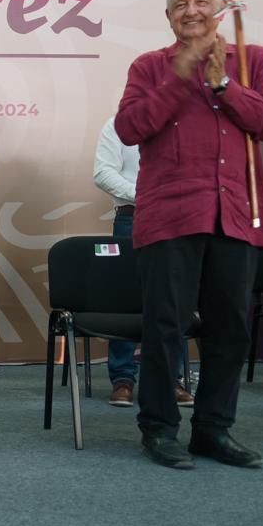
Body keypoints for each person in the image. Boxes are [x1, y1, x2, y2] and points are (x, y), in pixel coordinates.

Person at [116, 0, 263, 470]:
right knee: (165, 326)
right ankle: (159, 429)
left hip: (238, 215)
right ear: (168, 17)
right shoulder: (149, 67)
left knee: (231, 328)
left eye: (201, 2)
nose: (191, 10)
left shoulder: (257, 62)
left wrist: (222, 84)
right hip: (170, 216)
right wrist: (181, 73)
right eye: (180, 4)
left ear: (219, 10)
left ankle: (213, 429)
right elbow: (130, 128)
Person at [91, 116, 194, 409]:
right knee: (128, 297)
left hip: (180, 217)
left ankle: (169, 378)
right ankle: (123, 378)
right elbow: (103, 173)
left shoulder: (187, 124)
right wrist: (146, 195)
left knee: (173, 299)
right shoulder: (119, 124)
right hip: (133, 215)